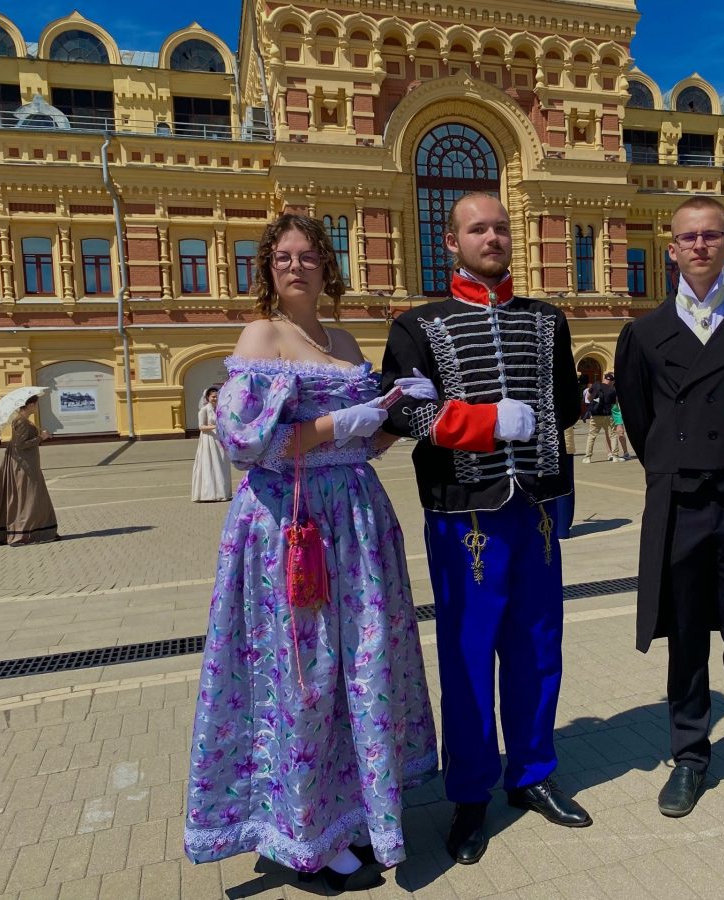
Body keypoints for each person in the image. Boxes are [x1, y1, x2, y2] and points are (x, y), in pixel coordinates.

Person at [183, 213, 438, 893]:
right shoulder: (261, 335)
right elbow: (246, 443)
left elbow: (360, 444)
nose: (295, 266)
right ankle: (301, 837)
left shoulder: (345, 337)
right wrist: (334, 422)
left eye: (308, 256)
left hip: (355, 519)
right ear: (269, 268)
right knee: (303, 677)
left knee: (359, 670)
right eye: (283, 257)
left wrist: (397, 415)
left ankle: (350, 816)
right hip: (291, 528)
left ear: (329, 265)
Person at [380, 192, 590, 865]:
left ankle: (531, 774)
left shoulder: (547, 320)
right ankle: (470, 794)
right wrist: (485, 423)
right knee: (468, 660)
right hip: (462, 516)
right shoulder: (418, 325)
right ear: (451, 242)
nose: (492, 237)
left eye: (500, 228)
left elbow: (564, 405)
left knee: (537, 648)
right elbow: (405, 417)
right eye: (478, 228)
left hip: (535, 511)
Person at [615, 195, 724, 824]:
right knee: (684, 636)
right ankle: (689, 755)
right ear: (671, 249)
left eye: (712, 236)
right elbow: (638, 417)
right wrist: (668, 464)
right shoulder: (645, 332)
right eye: (688, 237)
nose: (700, 246)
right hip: (678, 498)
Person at [0, 396, 58, 547]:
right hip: (25, 465)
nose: (37, 408)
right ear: (31, 404)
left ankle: (35, 530)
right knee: (30, 497)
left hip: (27, 463)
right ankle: (26, 532)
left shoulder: (23, 420)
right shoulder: (21, 421)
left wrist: (40, 436)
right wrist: (41, 437)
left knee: (33, 497)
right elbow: (20, 445)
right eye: (36, 405)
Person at [191, 386, 233, 501]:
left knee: (221, 464)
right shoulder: (204, 410)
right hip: (208, 440)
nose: (215, 398)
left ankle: (223, 492)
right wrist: (215, 426)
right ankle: (209, 493)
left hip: (219, 439)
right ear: (208, 398)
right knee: (210, 464)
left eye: (217, 396)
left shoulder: (220, 409)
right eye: (213, 397)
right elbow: (201, 427)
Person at [582, 374, 617, 462]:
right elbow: (614, 404)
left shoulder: (595, 385)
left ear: (604, 378)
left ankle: (587, 457)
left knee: (591, 436)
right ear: (612, 381)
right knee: (612, 435)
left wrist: (593, 405)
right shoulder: (612, 389)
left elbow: (588, 397)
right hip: (608, 415)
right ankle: (615, 456)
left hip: (595, 415)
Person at [609, 379, 631, 461]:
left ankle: (626, 452)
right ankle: (610, 453)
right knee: (609, 434)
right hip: (607, 414)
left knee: (621, 432)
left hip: (617, 413)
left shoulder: (617, 390)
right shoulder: (603, 389)